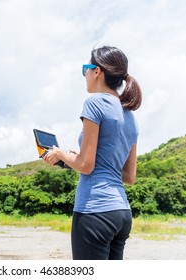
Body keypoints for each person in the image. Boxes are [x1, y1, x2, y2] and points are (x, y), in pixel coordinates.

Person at [43, 46, 142, 260]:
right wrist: (77, 158)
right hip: (121, 213)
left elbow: (86, 166)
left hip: (95, 210)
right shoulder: (131, 117)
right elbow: (129, 176)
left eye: (85, 69)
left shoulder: (95, 103)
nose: (85, 75)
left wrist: (59, 153)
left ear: (96, 71)